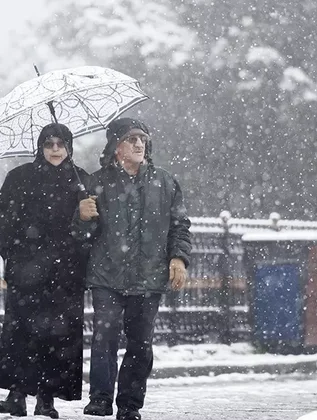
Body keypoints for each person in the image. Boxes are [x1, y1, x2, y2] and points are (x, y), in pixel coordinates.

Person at [73, 117, 192, 420]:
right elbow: (82, 237)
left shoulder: (165, 182)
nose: (139, 144)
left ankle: (129, 405)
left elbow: (180, 226)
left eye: (142, 138)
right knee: (105, 336)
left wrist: (178, 258)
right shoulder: (96, 183)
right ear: (116, 147)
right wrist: (82, 217)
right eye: (131, 139)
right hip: (106, 276)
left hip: (149, 277)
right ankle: (100, 398)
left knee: (140, 344)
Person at [0, 123, 89, 419]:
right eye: (49, 144)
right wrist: (23, 241)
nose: (55, 150)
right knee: (23, 332)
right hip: (27, 270)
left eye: (60, 144)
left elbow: (92, 225)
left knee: (58, 337)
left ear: (69, 146)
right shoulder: (20, 178)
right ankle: (16, 395)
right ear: (40, 147)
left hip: (66, 273)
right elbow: (1, 213)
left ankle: (47, 399)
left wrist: (84, 218)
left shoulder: (80, 180)